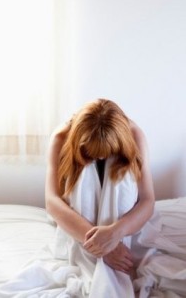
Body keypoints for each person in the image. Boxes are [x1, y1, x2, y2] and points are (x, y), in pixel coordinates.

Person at [45, 98, 155, 275]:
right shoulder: (61, 137)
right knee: (83, 172)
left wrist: (116, 233)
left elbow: (148, 200)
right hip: (81, 226)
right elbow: (51, 201)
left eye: (106, 154)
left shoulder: (134, 135)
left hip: (122, 226)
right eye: (91, 154)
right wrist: (102, 246)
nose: (100, 159)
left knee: (121, 171)